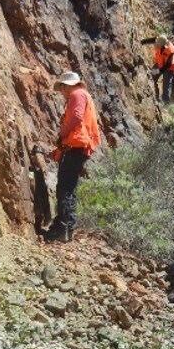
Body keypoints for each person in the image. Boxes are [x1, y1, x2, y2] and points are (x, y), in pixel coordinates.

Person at [45, 71, 102, 243]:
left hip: (76, 147)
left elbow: (76, 117)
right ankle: (66, 228)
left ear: (66, 86)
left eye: (62, 88)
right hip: (78, 148)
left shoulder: (77, 94)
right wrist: (58, 151)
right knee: (69, 188)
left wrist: (61, 133)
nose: (62, 92)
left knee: (64, 188)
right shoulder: (83, 95)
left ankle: (62, 229)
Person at [153, 35, 174, 103]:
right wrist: (142, 42)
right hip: (160, 63)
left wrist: (158, 71)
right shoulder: (158, 42)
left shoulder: (170, 50)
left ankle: (165, 101)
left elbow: (167, 65)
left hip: (169, 67)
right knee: (152, 75)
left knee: (166, 84)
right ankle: (156, 96)